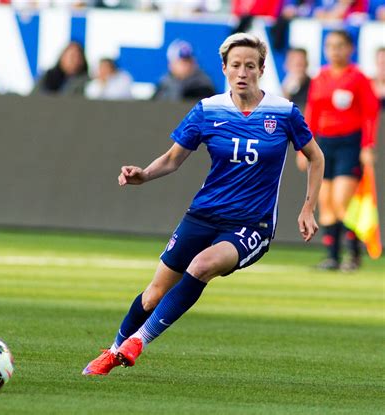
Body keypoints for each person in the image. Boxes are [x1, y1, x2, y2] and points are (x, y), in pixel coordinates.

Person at [82, 32, 324, 376]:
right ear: (224, 68)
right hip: (203, 214)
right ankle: (114, 348)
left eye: (250, 66)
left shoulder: (283, 112)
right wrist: (144, 174)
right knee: (152, 296)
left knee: (202, 265)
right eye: (236, 65)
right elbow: (173, 159)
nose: (243, 72)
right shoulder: (208, 111)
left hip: (250, 225)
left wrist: (307, 207)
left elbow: (316, 157)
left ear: (262, 69)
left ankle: (138, 342)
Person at [298, 30, 379, 271]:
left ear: (350, 49)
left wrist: (367, 146)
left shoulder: (358, 78)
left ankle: (353, 255)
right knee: (325, 202)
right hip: (324, 144)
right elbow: (311, 113)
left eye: (340, 46)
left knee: (342, 199)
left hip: (349, 143)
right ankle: (332, 256)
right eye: (330, 46)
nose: (335, 51)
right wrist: (304, 148)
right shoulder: (320, 77)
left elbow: (370, 114)